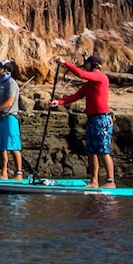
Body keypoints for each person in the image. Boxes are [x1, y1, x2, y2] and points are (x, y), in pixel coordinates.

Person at [49, 54, 114, 188]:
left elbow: (80, 74)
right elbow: (76, 96)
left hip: (102, 119)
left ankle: (110, 181)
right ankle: (94, 181)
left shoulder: (100, 76)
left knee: (103, 150)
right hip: (92, 119)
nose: (85, 66)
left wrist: (65, 63)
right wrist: (59, 102)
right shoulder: (89, 85)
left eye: (87, 64)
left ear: (94, 65)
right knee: (91, 151)